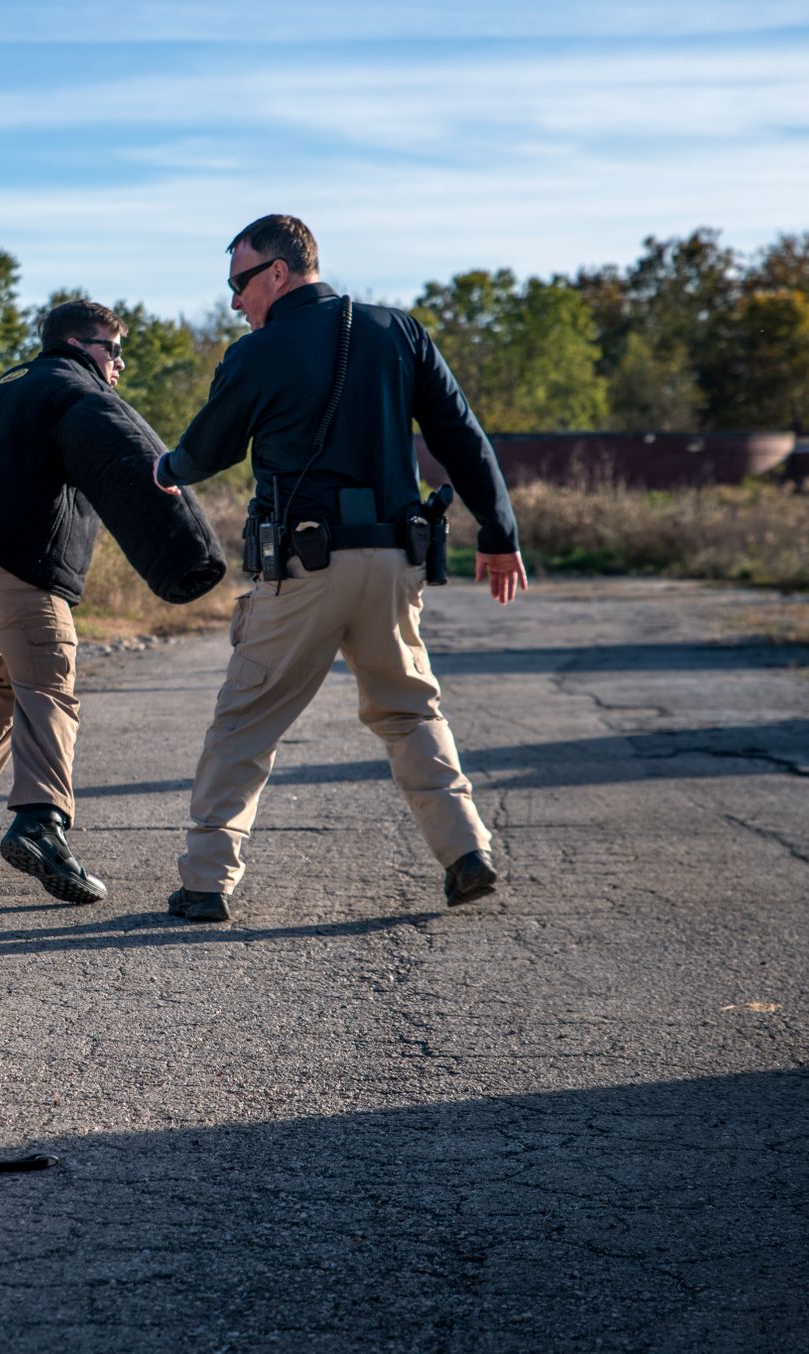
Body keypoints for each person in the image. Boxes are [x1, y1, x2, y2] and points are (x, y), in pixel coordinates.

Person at [154, 214, 527, 924]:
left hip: (304, 569)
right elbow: (461, 436)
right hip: (394, 563)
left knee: (245, 722)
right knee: (409, 710)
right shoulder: (400, 331)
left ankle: (205, 883)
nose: (235, 301)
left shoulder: (256, 352)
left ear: (277, 272)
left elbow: (207, 451)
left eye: (240, 283)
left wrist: (166, 467)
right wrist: (500, 532)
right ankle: (466, 851)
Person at [0, 299, 225, 905]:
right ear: (78, 346)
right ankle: (40, 824)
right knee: (48, 685)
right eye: (113, 349)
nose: (119, 364)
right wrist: (191, 554)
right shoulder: (73, 390)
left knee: (10, 680)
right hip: (14, 569)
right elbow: (130, 456)